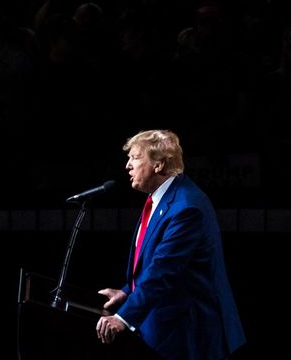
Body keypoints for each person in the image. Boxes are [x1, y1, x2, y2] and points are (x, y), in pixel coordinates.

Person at [95, 129, 245, 360]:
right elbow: (152, 264)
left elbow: (163, 270)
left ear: (158, 165)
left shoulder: (186, 207)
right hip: (167, 329)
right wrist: (128, 292)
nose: (127, 166)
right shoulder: (161, 197)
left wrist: (123, 317)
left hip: (190, 335)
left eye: (135, 157)